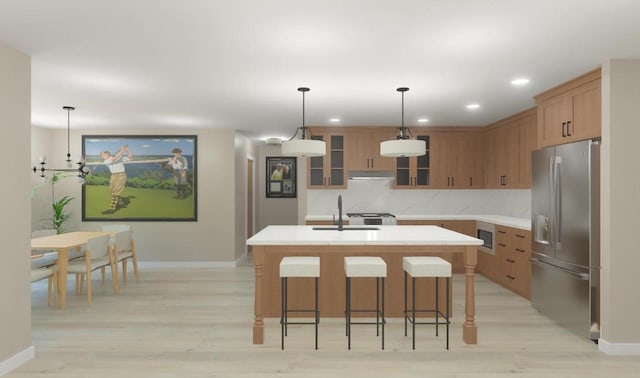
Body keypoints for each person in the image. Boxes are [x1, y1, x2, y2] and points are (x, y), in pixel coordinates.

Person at [100, 145, 132, 214]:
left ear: (107, 154)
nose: (102, 156)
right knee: (112, 191)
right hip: (113, 176)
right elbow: (114, 159)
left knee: (115, 191)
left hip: (121, 175)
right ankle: (120, 203)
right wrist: (122, 150)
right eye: (101, 155)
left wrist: (127, 150)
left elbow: (130, 158)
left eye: (103, 154)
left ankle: (112, 208)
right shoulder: (106, 160)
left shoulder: (119, 157)